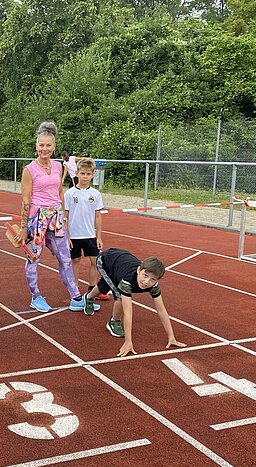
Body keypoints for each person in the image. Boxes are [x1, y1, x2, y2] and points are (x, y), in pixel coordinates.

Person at [13, 121, 84, 313]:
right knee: (33, 258)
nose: (45, 149)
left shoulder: (58, 166)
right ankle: (36, 296)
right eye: (41, 145)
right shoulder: (29, 170)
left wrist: (65, 222)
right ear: (36, 146)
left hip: (56, 218)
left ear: (54, 146)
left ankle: (76, 296)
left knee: (65, 258)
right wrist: (23, 226)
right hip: (37, 219)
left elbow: (59, 193)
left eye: (48, 145)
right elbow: (26, 200)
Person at [83, 248, 187, 357]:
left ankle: (88, 297)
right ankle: (114, 321)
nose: (147, 282)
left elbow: (161, 310)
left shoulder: (154, 286)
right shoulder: (127, 282)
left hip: (118, 263)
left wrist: (171, 337)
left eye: (153, 279)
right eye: (145, 275)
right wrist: (128, 341)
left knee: (108, 282)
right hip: (105, 260)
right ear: (138, 270)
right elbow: (128, 312)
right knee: (119, 296)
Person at [64, 158, 107, 314]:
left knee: (95, 262)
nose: (84, 176)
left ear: (92, 175)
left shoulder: (95, 194)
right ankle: (75, 294)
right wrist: (67, 237)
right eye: (82, 173)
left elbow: (98, 216)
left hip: (89, 234)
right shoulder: (69, 193)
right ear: (76, 173)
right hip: (74, 235)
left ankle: (91, 293)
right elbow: (65, 217)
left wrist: (99, 236)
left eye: (88, 174)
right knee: (74, 261)